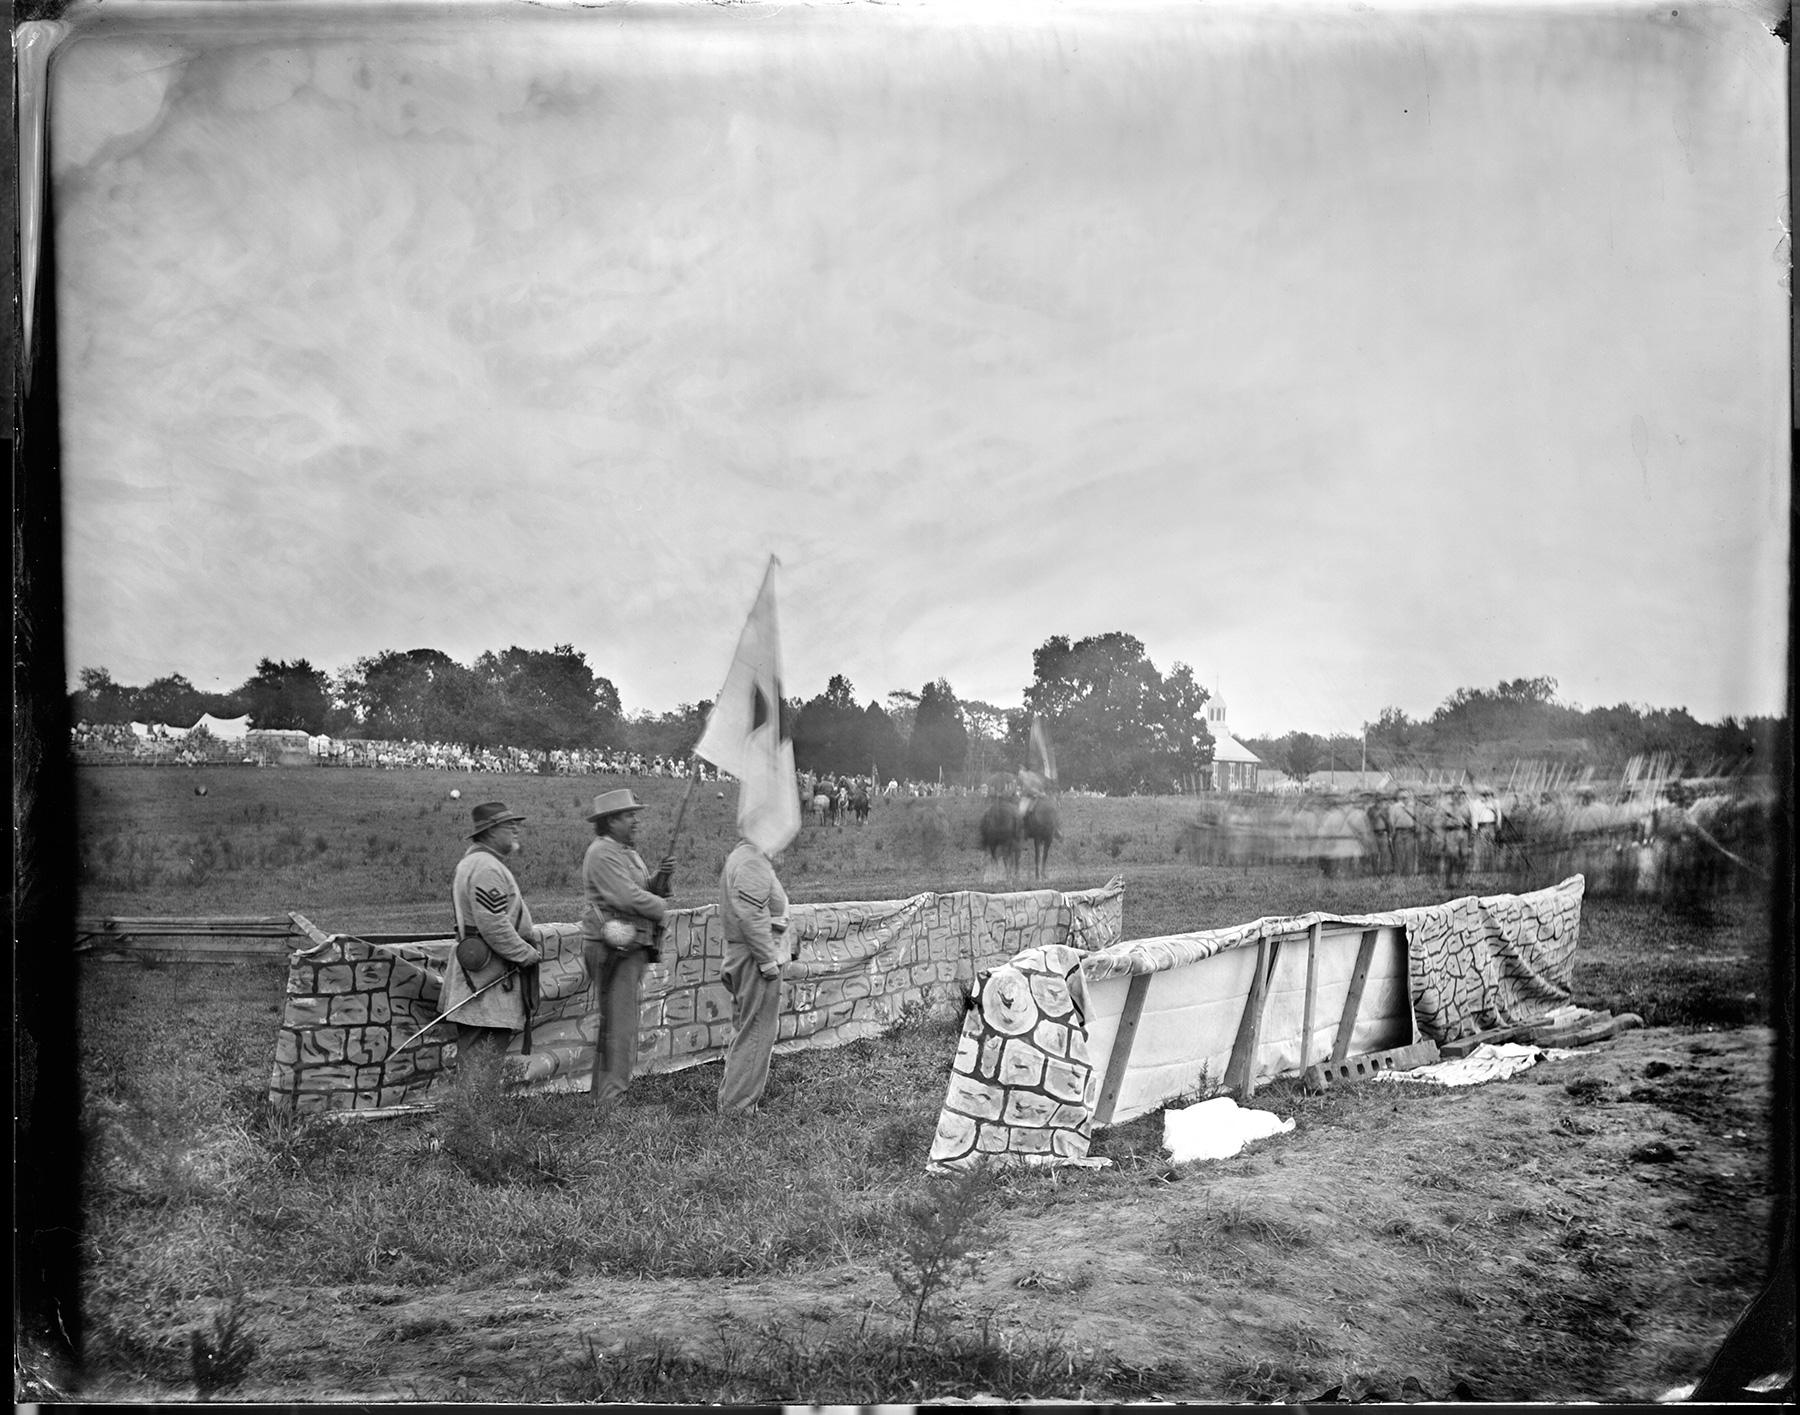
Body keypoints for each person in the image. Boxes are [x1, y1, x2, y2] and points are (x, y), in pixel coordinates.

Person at [581, 789, 676, 1107]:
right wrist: (660, 905)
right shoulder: (604, 853)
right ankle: (612, 1103)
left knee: (617, 1025)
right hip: (614, 951)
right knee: (620, 1030)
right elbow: (626, 898)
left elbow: (638, 890)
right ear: (611, 821)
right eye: (628, 815)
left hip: (628, 948)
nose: (635, 820)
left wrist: (659, 879)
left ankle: (603, 1099)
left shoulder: (624, 852)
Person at [445, 801, 544, 1090]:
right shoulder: (486, 868)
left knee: (481, 1061)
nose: (515, 829)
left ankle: (474, 1127)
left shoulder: (477, 863)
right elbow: (494, 925)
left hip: (486, 977)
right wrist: (526, 954)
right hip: (486, 981)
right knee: (480, 1064)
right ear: (489, 832)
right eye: (507, 825)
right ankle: (471, 1130)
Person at [717, 836, 791, 1116]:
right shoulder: (750, 860)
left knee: (747, 1029)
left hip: (748, 955)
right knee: (757, 1031)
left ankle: (733, 1101)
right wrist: (767, 960)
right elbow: (751, 915)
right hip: (754, 958)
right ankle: (739, 1108)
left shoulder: (744, 857)